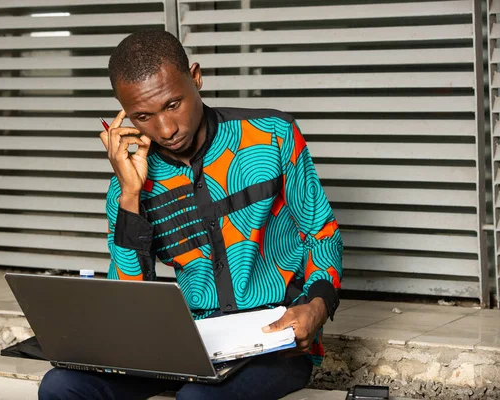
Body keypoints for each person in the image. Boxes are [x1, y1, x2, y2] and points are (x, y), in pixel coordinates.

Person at [39, 30, 343, 400]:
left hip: (274, 339)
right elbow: (130, 298)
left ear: (195, 77)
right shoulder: (127, 184)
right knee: (61, 386)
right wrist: (131, 194)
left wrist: (317, 306)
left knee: (197, 399)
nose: (166, 129)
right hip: (187, 340)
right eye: (143, 116)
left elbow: (320, 232)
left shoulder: (272, 135)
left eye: (172, 104)